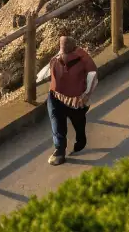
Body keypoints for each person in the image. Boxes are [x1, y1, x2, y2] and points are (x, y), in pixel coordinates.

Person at [37, 34, 98, 165]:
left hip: (76, 101)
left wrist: (86, 96)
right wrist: (37, 79)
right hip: (55, 96)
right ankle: (59, 150)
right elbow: (46, 71)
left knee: (78, 123)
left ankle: (80, 140)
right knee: (56, 122)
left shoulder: (84, 59)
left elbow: (92, 77)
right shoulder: (56, 58)